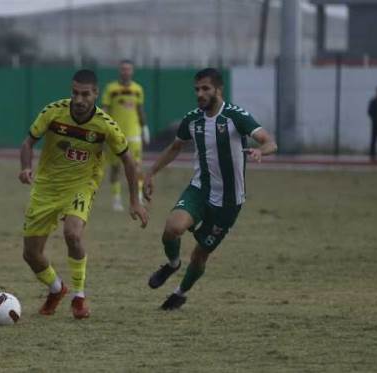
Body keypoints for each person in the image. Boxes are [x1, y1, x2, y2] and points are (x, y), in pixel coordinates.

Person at [143, 68, 277, 310]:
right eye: (197, 89)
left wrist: (260, 150)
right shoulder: (193, 119)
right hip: (199, 190)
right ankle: (172, 264)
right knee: (172, 228)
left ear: (218, 89)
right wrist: (151, 173)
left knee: (200, 254)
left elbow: (270, 141)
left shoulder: (236, 117)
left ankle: (180, 293)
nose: (200, 94)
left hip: (228, 202)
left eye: (205, 89)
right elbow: (175, 147)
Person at [19, 69, 149, 319]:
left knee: (73, 234)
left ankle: (79, 296)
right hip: (46, 187)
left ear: (95, 94)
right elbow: (27, 143)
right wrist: (26, 167)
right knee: (31, 254)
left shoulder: (105, 125)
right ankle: (57, 289)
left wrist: (134, 201)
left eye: (85, 94)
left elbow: (129, 162)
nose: (79, 100)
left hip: (81, 186)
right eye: (75, 93)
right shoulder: (53, 112)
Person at [101, 60, 149, 211]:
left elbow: (140, 109)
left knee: (137, 166)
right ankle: (116, 200)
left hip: (134, 134)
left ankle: (139, 197)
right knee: (115, 167)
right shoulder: (111, 88)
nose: (125, 72)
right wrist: (103, 128)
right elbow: (105, 109)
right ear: (119, 71)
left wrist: (144, 127)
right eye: (123, 69)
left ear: (132, 71)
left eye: (128, 69)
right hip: (115, 134)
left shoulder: (138, 89)